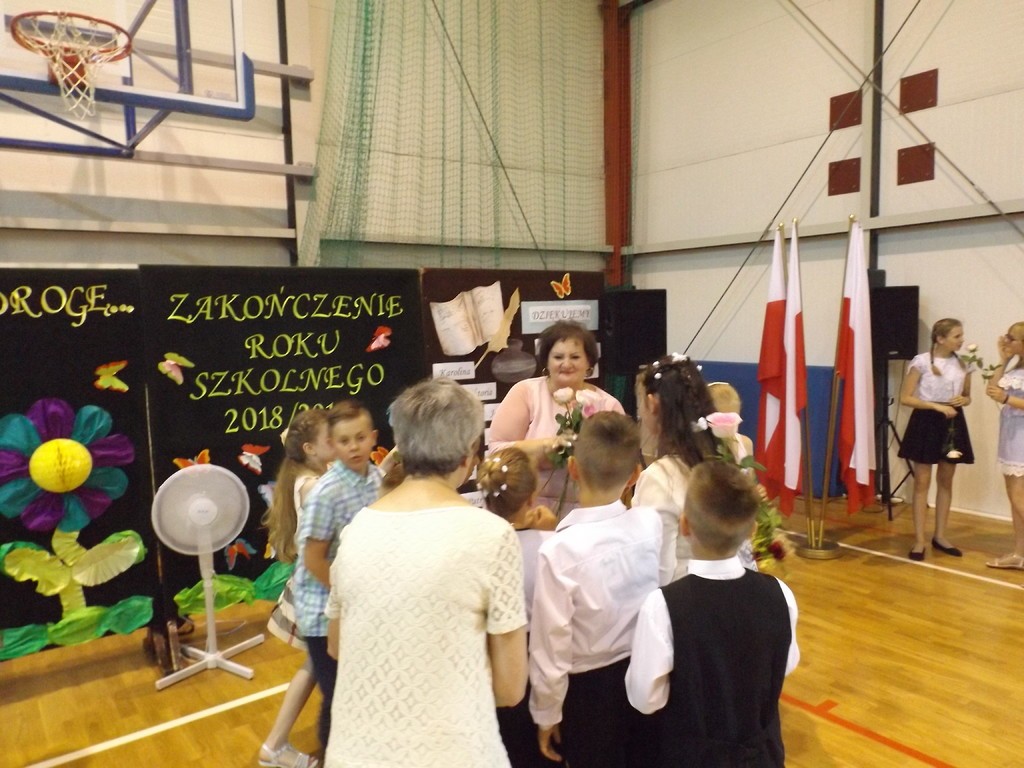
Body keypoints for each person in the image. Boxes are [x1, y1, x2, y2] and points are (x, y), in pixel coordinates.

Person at [323, 378, 528, 767]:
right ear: (470, 453)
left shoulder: (357, 529)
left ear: (401, 446)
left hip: (352, 754)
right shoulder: (492, 536)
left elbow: (336, 646)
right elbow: (510, 688)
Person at [625, 461, 800, 767]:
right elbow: (785, 664)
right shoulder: (780, 595)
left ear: (684, 525)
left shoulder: (664, 606)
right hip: (762, 756)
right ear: (752, 531)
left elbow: (645, 698)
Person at [529, 412, 662, 768]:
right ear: (635, 476)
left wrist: (547, 713)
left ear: (572, 468)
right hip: (646, 672)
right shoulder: (650, 523)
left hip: (588, 692)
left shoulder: (559, 551)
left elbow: (550, 645)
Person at [291, 400, 381, 753]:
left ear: (373, 437)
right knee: (339, 695)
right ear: (331, 444)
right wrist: (351, 595)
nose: (354, 447)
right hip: (323, 612)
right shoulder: (326, 492)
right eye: (344, 441)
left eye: (360, 437)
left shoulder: (376, 478)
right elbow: (312, 558)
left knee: (353, 690)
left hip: (355, 606)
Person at [259, 408, 337, 768]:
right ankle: (276, 746)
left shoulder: (305, 477)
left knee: (314, 667)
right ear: (309, 448)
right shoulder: (314, 487)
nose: (339, 444)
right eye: (331, 439)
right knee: (320, 671)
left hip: (314, 589)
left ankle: (274, 746)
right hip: (322, 594)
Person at [478, 447, 559, 768]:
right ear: (532, 497)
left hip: (488, 661)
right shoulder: (551, 546)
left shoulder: (478, 548)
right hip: (533, 658)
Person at [489, 320, 624, 513]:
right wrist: (548, 447)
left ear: (589, 362)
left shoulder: (607, 404)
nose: (566, 364)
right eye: (558, 357)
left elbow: (621, 462)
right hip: (529, 509)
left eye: (575, 357)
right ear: (546, 361)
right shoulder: (525, 392)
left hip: (589, 511)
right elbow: (497, 451)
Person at [633, 354, 719, 584]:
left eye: (640, 403)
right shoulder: (727, 460)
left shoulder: (659, 478)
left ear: (652, 404)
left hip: (682, 596)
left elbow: (658, 571)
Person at [897, 318, 973, 561]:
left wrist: (963, 400)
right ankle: (919, 539)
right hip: (926, 421)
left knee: (946, 480)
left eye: (961, 336)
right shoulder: (921, 362)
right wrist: (935, 406)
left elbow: (967, 396)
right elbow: (906, 397)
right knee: (922, 481)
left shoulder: (964, 363)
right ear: (940, 339)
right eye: (956, 336)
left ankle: (940, 535)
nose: (961, 340)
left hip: (952, 421)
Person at [984, 322, 1024, 570]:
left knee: (1020, 498)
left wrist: (1008, 398)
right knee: (1014, 498)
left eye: (1012, 338)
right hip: (1010, 435)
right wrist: (1003, 359)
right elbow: (992, 389)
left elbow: (1004, 396)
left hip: (1022, 437)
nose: (1006, 340)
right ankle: (1020, 553)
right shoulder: (1015, 367)